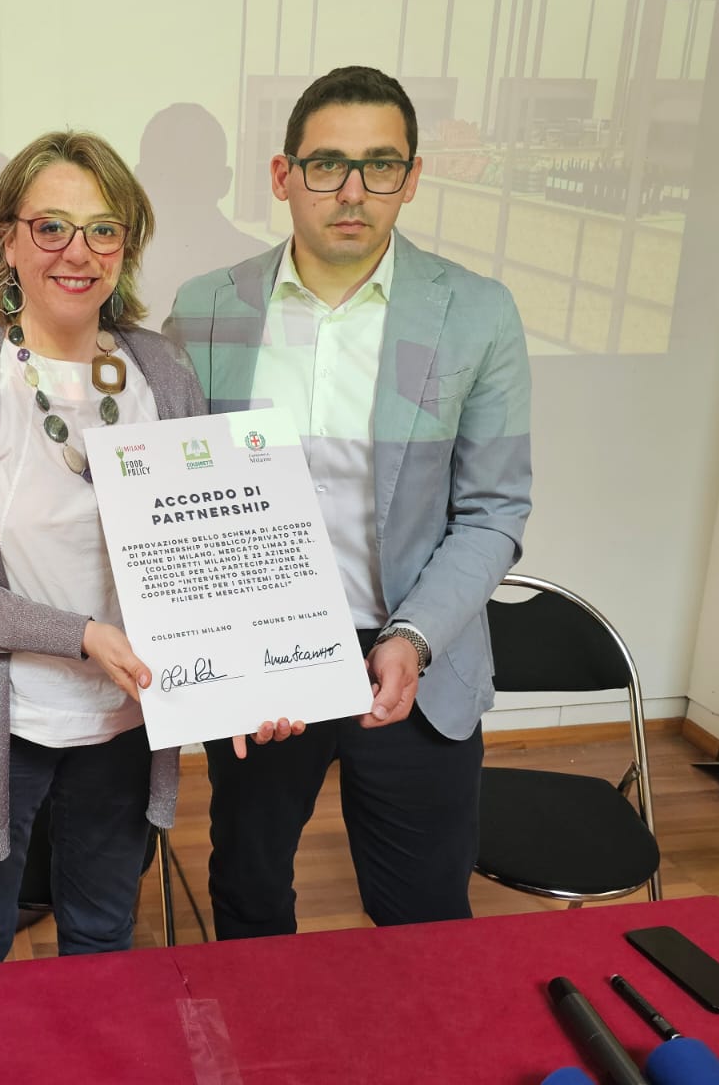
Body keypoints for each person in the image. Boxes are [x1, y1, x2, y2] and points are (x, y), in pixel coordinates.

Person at [166, 66, 533, 937]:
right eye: (328, 164)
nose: (353, 190)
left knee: (423, 918)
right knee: (250, 895)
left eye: (381, 165)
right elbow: (183, 498)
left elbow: (493, 510)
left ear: (412, 178)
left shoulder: (476, 314)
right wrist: (222, 648)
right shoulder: (207, 308)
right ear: (282, 175)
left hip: (415, 656)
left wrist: (414, 636)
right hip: (261, 658)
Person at [0, 130, 225, 967]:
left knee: (103, 942)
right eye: (51, 227)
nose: (78, 251)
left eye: (104, 229)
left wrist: (248, 679)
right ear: (8, 240)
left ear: (126, 246)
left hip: (126, 724)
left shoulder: (165, 374)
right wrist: (80, 636)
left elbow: (204, 546)